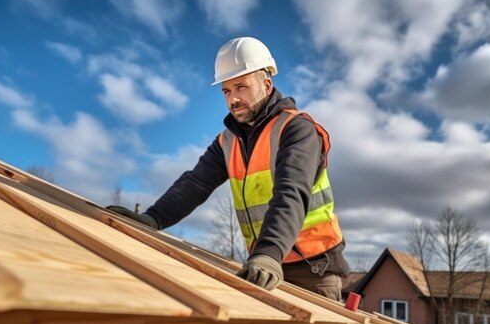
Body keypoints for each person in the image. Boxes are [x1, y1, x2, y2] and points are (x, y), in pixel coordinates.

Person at [108, 37, 349, 301]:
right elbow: (194, 185)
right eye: (226, 91)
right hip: (262, 265)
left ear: (267, 85)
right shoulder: (228, 141)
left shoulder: (296, 129)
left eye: (241, 87)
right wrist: (153, 219)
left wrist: (268, 253)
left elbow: (291, 192)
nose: (233, 99)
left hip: (312, 269)